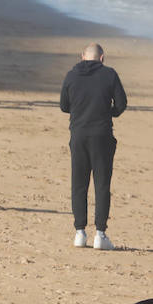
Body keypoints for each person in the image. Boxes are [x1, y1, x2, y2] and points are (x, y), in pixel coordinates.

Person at [60, 43, 127, 250]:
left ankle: (79, 232)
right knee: (102, 184)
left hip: (79, 134)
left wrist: (79, 111)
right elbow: (122, 103)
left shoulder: (71, 75)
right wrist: (109, 113)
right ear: (102, 58)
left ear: (82, 57)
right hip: (102, 135)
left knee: (79, 184)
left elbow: (64, 106)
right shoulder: (109, 74)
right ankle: (100, 234)